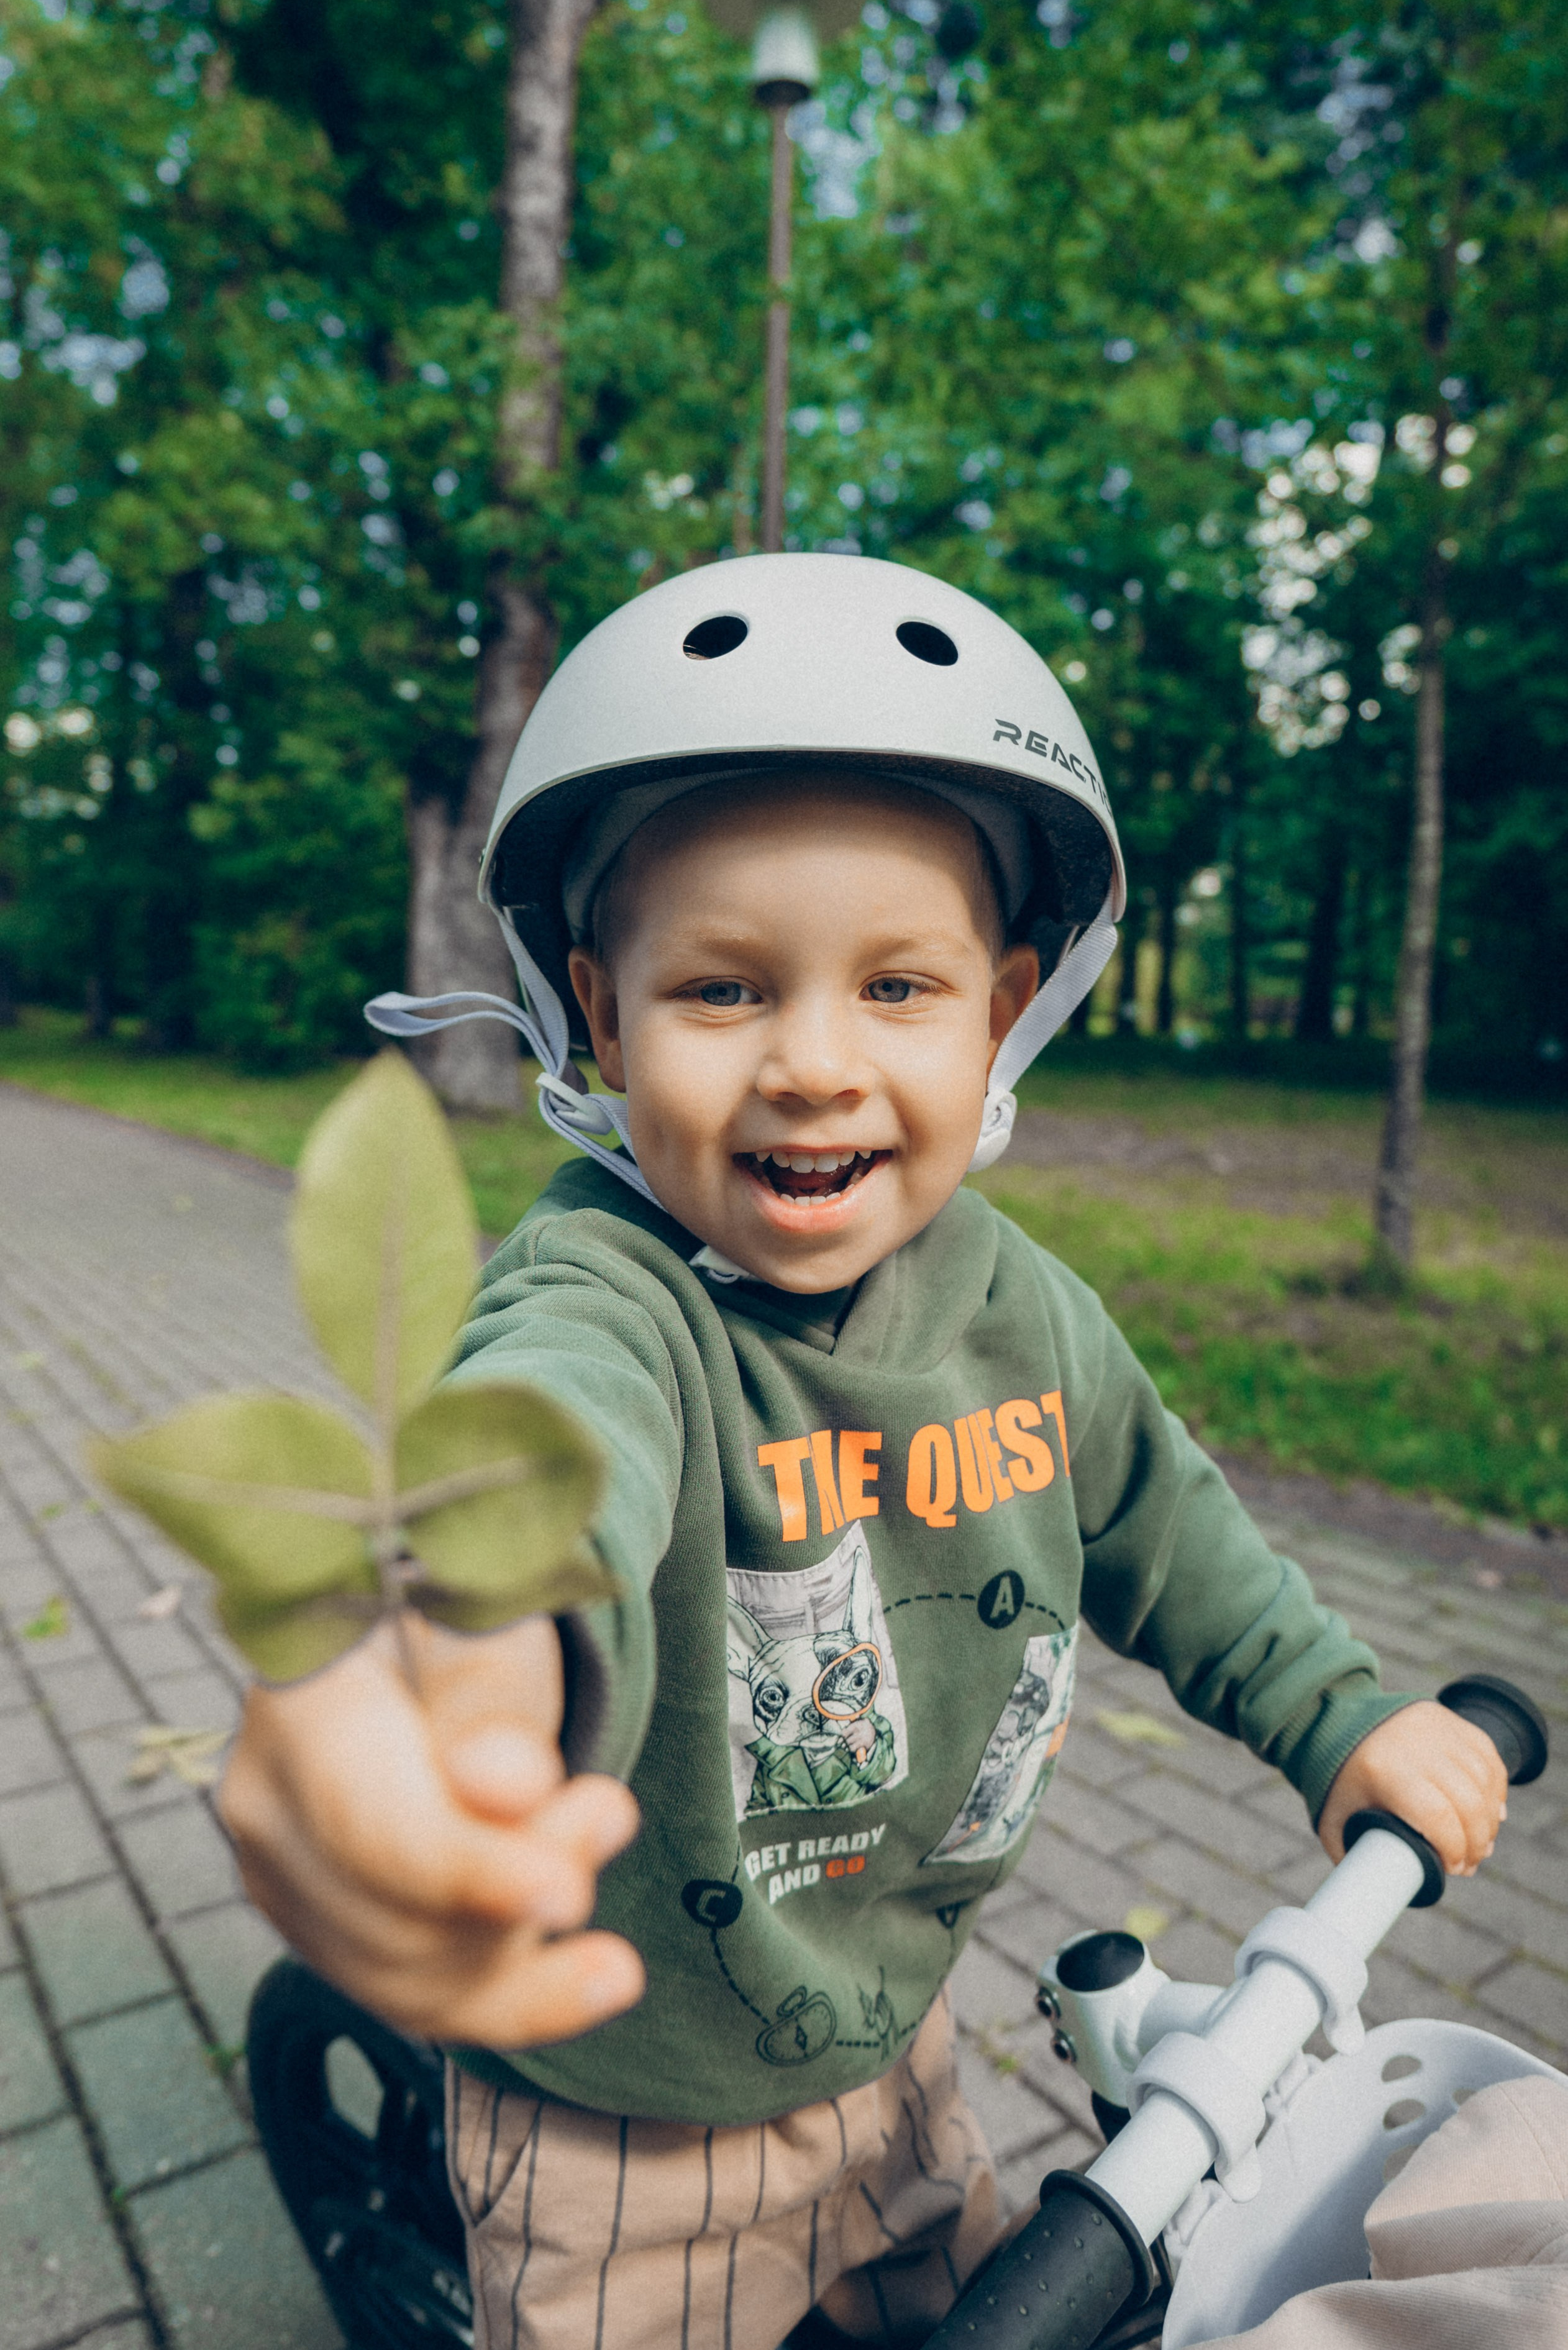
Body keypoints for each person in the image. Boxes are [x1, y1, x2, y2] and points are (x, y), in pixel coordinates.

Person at [219, 555, 1508, 2350]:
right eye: (725, 990)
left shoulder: (1019, 1305)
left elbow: (1171, 1529)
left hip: (899, 2049)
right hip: (620, 2121)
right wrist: (463, 1662)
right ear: (599, 1013)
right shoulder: (610, 1292)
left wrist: (1340, 1713)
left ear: (1004, 1005)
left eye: (895, 988)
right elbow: (545, 1455)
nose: (814, 1064)